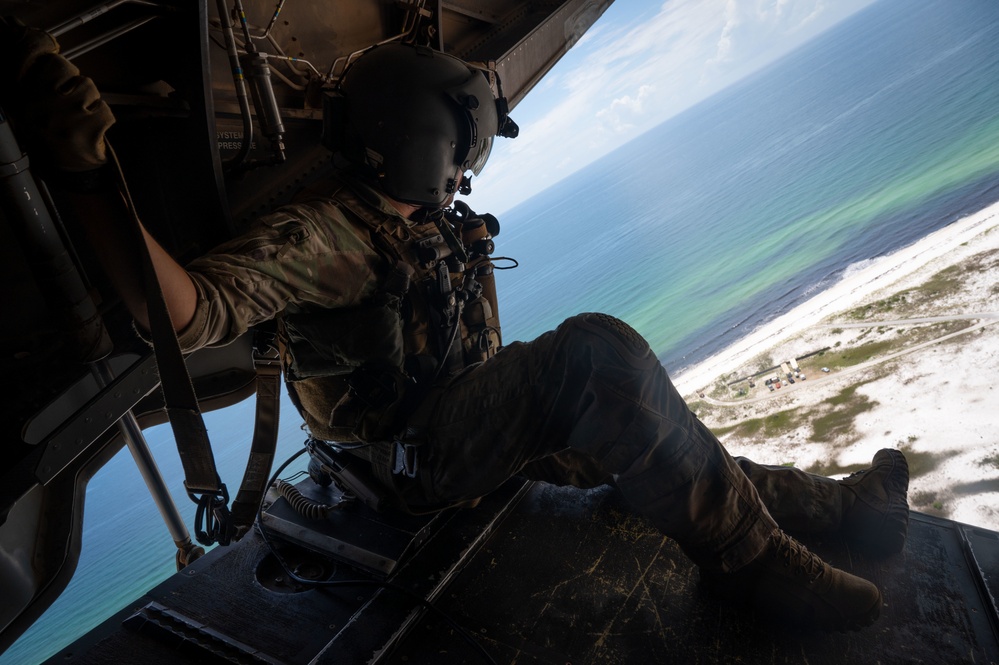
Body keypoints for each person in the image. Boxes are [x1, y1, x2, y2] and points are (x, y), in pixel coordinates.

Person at [3, 24, 910, 633]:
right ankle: (751, 568)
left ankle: (841, 513)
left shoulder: (408, 210)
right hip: (411, 467)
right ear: (425, 144)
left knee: (662, 445)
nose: (470, 157)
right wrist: (90, 174)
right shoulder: (326, 234)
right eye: (461, 137)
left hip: (468, 426)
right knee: (599, 354)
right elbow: (185, 316)